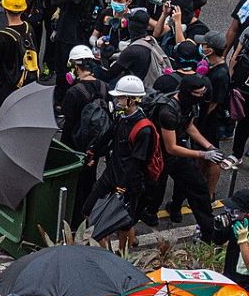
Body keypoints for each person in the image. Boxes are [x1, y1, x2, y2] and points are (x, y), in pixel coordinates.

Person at [140, 75, 219, 241]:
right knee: (156, 188)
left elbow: (189, 126)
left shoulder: (190, 105)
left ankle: (208, 230)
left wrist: (209, 146)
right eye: (197, 94)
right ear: (187, 92)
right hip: (159, 153)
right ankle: (150, 212)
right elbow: (171, 147)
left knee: (196, 184)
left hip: (177, 149)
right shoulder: (167, 111)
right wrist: (203, 154)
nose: (200, 98)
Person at [83, 75, 156, 253]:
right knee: (88, 210)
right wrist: (94, 150)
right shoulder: (121, 116)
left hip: (129, 182)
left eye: (120, 97)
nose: (116, 100)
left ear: (132, 100)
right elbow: (109, 135)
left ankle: (122, 252)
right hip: (111, 173)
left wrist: (122, 187)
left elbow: (136, 162)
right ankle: (107, 249)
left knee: (122, 222)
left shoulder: (144, 129)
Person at [60, 45, 105, 223]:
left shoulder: (73, 93)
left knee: (74, 185)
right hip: (95, 147)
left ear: (75, 66)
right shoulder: (103, 87)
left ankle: (74, 219)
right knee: (89, 181)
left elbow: (68, 124)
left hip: (75, 147)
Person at [0, 0, 35, 109]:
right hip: (25, 82)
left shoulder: (2, 36)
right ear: (22, 10)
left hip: (5, 85)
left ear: (5, 9)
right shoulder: (29, 28)